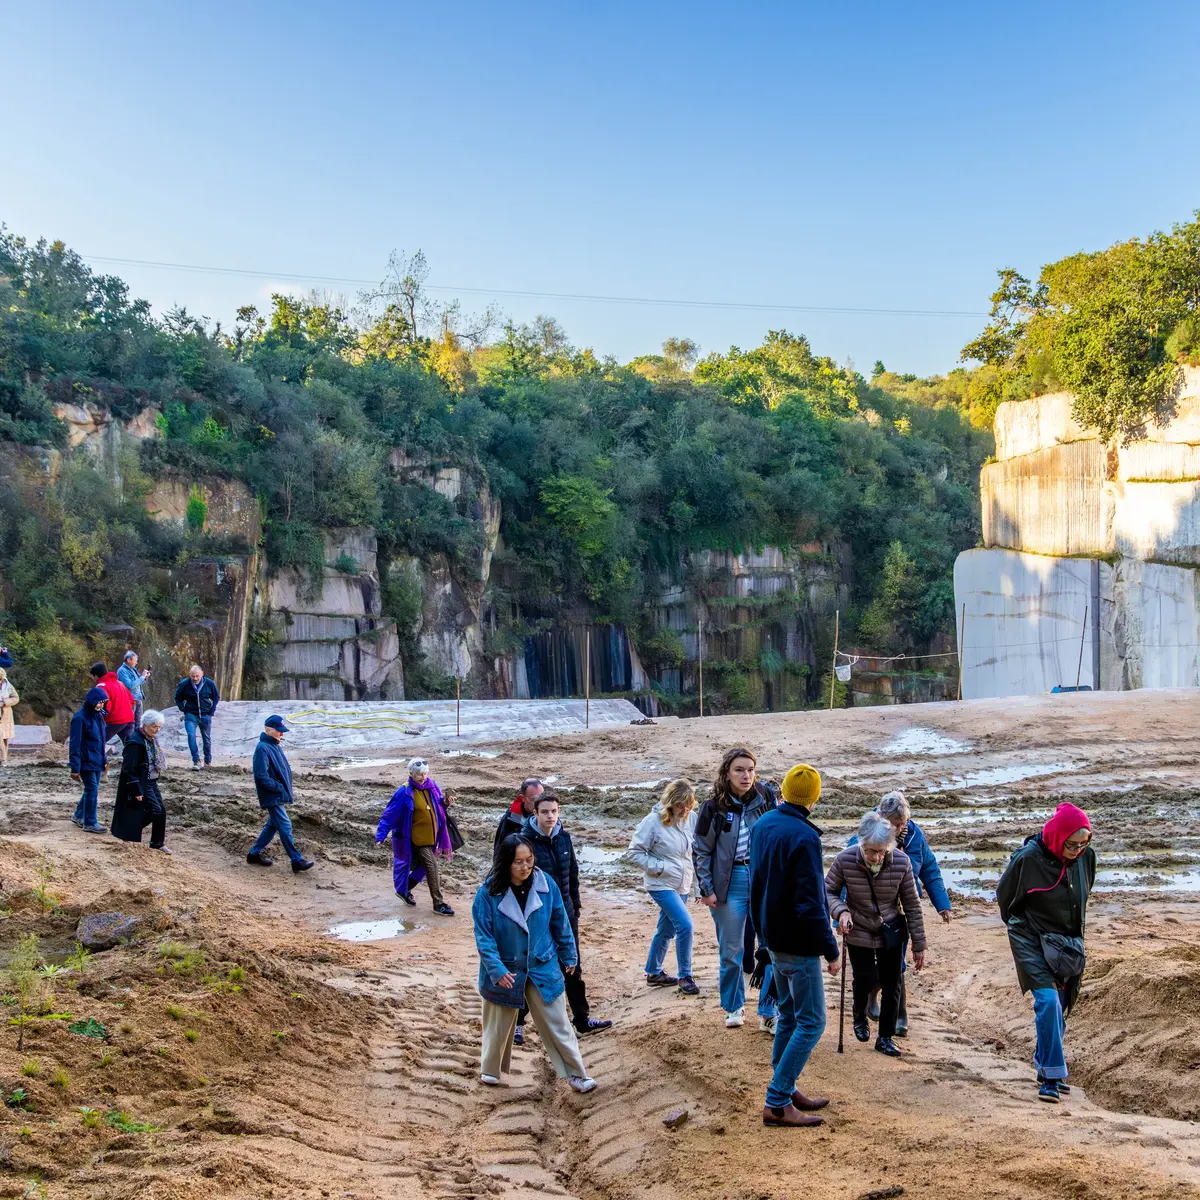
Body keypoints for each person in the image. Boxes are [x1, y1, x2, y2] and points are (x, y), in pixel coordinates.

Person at [749, 763, 841, 1127]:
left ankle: (785, 1089)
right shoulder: (805, 837)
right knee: (813, 1021)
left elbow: (756, 884)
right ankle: (777, 1099)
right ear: (813, 799)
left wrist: (761, 936)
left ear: (785, 791)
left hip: (773, 936)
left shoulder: (763, 824)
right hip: (796, 944)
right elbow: (810, 902)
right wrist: (831, 949)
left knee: (788, 1014)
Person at [472, 833, 597, 1094]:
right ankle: (490, 1069)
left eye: (529, 860)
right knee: (496, 1023)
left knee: (558, 1022)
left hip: (542, 965)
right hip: (505, 969)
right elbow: (484, 937)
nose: (525, 867)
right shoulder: (487, 893)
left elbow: (560, 921)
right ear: (505, 862)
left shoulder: (546, 884)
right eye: (518, 862)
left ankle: (577, 1074)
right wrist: (496, 969)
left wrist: (569, 954)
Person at [996, 802, 1095, 1104]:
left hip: (1066, 945)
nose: (1078, 850)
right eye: (1072, 844)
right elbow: (1005, 899)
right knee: (1048, 1001)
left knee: (1061, 1006)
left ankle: (1044, 1064)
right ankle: (1052, 1078)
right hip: (1030, 940)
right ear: (1057, 837)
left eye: (1083, 843)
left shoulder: (1086, 858)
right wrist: (1026, 931)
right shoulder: (1027, 860)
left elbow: (1081, 896)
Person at [825, 812, 926, 1058]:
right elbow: (828, 892)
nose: (876, 857)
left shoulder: (901, 862)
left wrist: (919, 944)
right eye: (871, 851)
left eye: (882, 852)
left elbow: (912, 904)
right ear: (861, 843)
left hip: (890, 930)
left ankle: (885, 1037)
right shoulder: (845, 859)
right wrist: (841, 912)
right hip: (857, 928)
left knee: (893, 984)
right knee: (866, 979)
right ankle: (859, 1016)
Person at [693, 746, 774, 1028]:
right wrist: (706, 888)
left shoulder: (765, 797)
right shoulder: (712, 806)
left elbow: (777, 836)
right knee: (731, 950)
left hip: (762, 878)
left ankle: (768, 1011)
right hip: (730, 881)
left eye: (750, 770)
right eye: (739, 770)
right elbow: (701, 850)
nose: (746, 775)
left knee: (770, 946)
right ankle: (734, 1007)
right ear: (727, 773)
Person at [860, 790, 951, 1037]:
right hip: (870, 911)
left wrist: (942, 903)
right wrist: (843, 912)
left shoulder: (914, 836)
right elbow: (848, 872)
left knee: (897, 963)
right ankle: (871, 995)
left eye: (904, 823)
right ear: (881, 817)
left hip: (900, 910)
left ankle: (900, 1014)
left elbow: (929, 868)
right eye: (896, 824)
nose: (901, 828)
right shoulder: (868, 834)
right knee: (873, 964)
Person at [523, 793, 612, 1036]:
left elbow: (572, 873)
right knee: (531, 967)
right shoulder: (524, 841)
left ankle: (582, 1019)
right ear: (535, 814)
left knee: (573, 965)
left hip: (566, 913)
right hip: (537, 916)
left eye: (554, 811)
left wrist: (576, 906)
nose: (550, 816)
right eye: (545, 812)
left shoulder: (564, 838)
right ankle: (518, 1024)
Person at [626, 778, 700, 996]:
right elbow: (634, 852)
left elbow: (693, 855)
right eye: (680, 804)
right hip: (661, 883)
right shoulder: (652, 821)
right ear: (670, 802)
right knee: (685, 926)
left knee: (666, 929)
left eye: (688, 804)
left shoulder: (691, 818)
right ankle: (685, 975)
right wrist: (659, 867)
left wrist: (698, 886)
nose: (684, 809)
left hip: (682, 883)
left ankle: (653, 972)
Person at [376, 758, 455, 915]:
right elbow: (389, 814)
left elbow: (438, 806)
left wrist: (445, 802)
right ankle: (438, 904)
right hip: (415, 840)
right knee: (432, 867)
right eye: (419, 774)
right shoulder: (404, 792)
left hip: (432, 838)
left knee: (423, 869)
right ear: (411, 774)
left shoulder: (432, 787)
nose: (423, 777)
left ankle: (404, 890)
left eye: (425, 773)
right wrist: (381, 835)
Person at [247, 715, 314, 873]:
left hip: (277, 793)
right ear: (268, 729)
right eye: (279, 731)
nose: (281, 734)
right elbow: (261, 776)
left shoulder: (274, 745)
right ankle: (296, 860)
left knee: (272, 826)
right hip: (272, 795)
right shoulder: (262, 748)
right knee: (285, 825)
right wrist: (278, 787)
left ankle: (253, 854)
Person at [111, 710, 171, 852]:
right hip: (142, 782)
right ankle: (128, 831)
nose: (157, 730)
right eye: (154, 727)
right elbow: (128, 769)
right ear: (145, 725)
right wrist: (136, 789)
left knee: (161, 811)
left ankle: (157, 843)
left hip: (152, 780)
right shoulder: (135, 742)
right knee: (155, 810)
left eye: (159, 727)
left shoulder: (150, 739)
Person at [68, 687, 109, 832]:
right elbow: (75, 744)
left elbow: (102, 740)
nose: (101, 705)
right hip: (86, 761)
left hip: (97, 759)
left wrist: (104, 759)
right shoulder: (79, 718)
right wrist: (75, 767)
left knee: (91, 789)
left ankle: (79, 815)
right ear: (92, 701)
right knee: (92, 790)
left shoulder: (98, 715)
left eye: (103, 703)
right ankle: (90, 822)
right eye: (99, 703)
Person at [174, 664, 219, 769]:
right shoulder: (184, 684)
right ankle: (196, 760)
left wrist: (211, 712)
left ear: (202, 674)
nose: (195, 678)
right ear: (190, 675)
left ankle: (207, 761)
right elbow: (177, 697)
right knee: (191, 735)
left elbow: (216, 697)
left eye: (197, 676)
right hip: (191, 715)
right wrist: (183, 709)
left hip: (205, 715)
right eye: (193, 676)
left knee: (206, 739)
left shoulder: (209, 684)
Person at [494, 777, 543, 859]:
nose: (539, 803)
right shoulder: (510, 819)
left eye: (542, 797)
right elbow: (500, 851)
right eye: (534, 799)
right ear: (523, 798)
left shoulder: (550, 815)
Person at [90, 662, 135, 745]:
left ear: (96, 676)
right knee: (131, 746)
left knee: (95, 742)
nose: (92, 678)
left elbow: (105, 707)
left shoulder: (101, 687)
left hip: (115, 721)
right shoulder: (119, 683)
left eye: (92, 676)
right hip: (129, 719)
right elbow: (131, 700)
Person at [116, 650, 151, 730]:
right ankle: (128, 740)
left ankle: (137, 740)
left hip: (137, 698)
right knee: (129, 723)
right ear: (128, 660)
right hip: (129, 700)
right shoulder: (122, 671)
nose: (136, 663)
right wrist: (142, 678)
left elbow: (139, 682)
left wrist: (145, 676)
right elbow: (130, 685)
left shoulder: (133, 669)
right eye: (135, 661)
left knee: (139, 722)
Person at [0, 666, 18, 768]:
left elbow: (16, 698)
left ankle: (3, 760)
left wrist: (4, 702)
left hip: (5, 715)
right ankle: (3, 760)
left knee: (5, 739)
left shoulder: (8, 685)